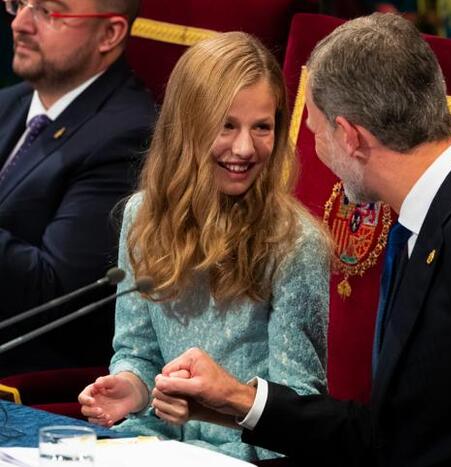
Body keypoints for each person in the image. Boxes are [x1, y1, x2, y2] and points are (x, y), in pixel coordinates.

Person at [153, 13, 451, 467]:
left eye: (314, 131)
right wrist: (239, 401)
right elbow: (393, 437)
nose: (314, 151)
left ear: (350, 137)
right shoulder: (424, 224)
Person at [78, 32, 330, 462]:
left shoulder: (295, 243)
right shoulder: (142, 216)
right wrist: (130, 387)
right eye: (226, 125)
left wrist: (218, 411)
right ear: (187, 126)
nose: (245, 148)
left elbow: (297, 407)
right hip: (152, 443)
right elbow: (138, 352)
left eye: (262, 127)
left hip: (241, 455)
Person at [0, 0, 155, 374]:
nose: (20, 23)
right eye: (20, 3)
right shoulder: (9, 102)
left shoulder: (129, 134)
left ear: (109, 34)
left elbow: (54, 295)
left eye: (49, 12)